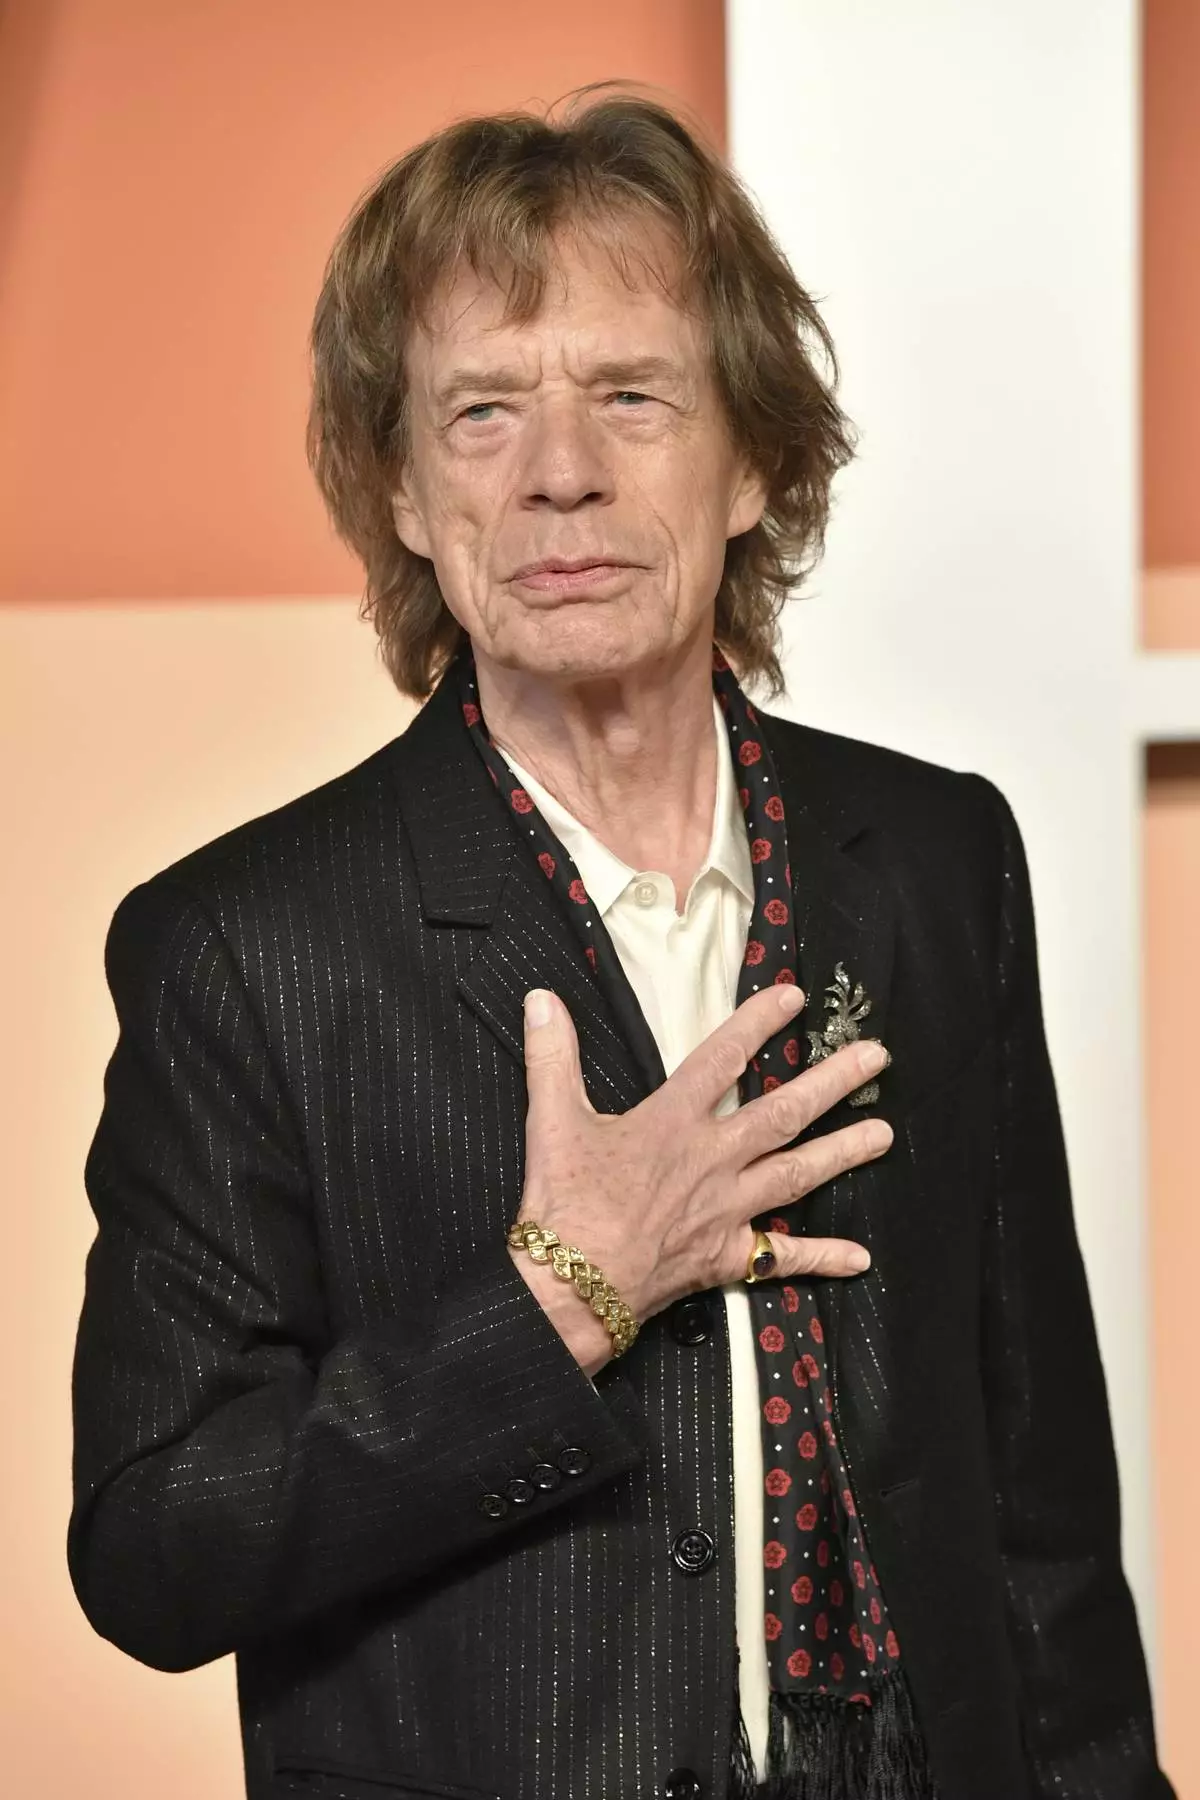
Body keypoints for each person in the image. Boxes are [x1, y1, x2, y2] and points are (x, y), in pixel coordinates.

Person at [68, 89, 1174, 1800]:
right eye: (483, 411)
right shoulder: (243, 948)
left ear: (754, 464)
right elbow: (154, 1549)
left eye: (634, 398)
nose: (561, 473)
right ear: (410, 499)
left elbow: (1038, 1509)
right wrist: (558, 1296)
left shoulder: (940, 860)